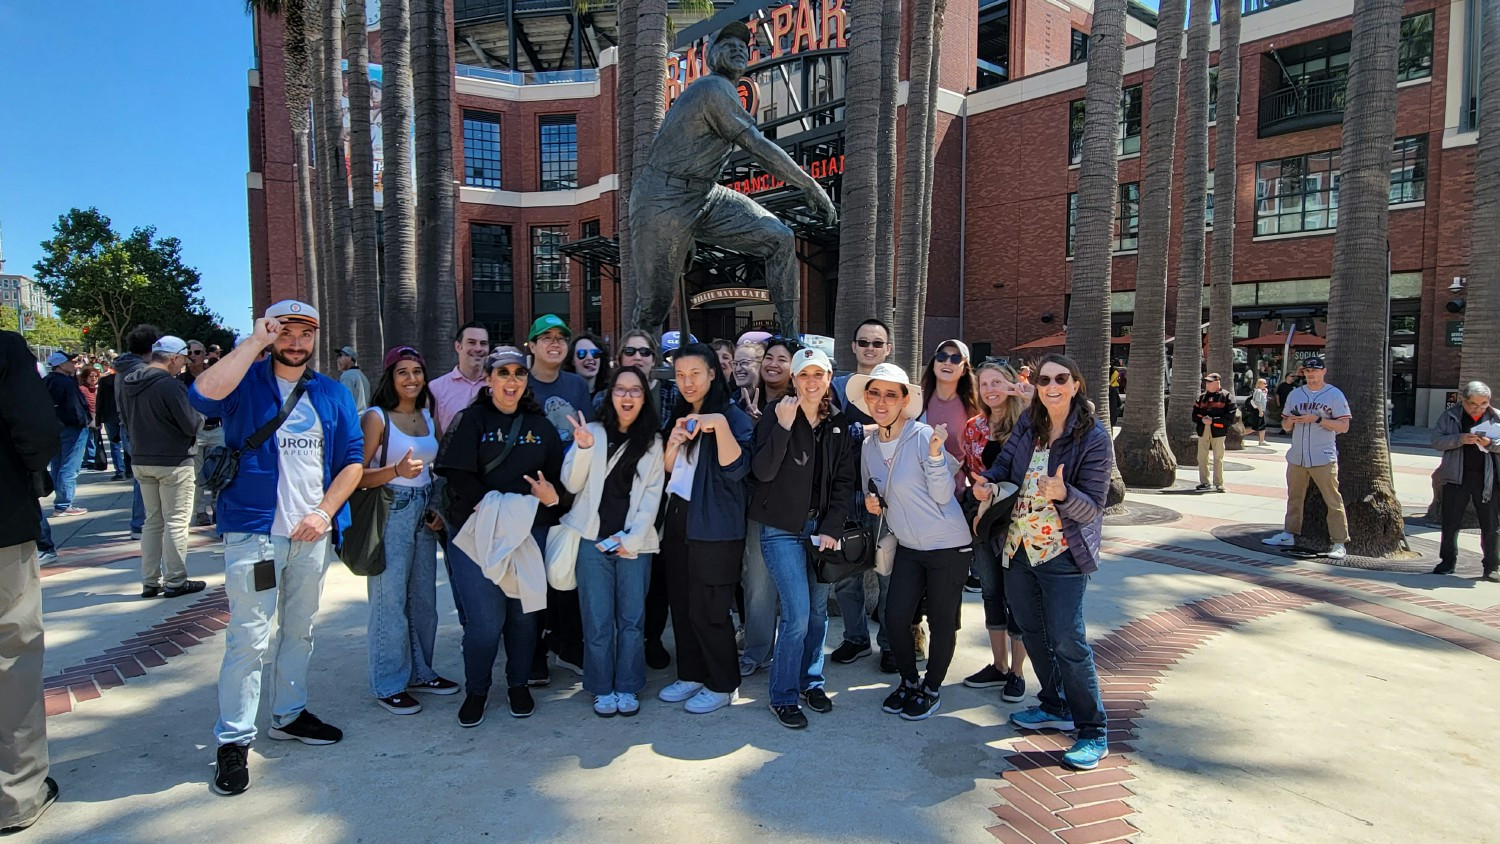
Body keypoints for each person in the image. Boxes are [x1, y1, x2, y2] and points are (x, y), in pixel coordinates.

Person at [188, 301, 364, 797]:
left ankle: (288, 713)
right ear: (269, 333)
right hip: (254, 532)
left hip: (311, 533)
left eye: (304, 332)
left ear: (314, 338)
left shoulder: (330, 392)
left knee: (301, 629)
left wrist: (324, 513)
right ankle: (234, 739)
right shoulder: (246, 380)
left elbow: (352, 459)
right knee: (249, 637)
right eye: (283, 331)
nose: (294, 341)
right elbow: (202, 394)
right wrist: (253, 343)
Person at [975, 353, 1114, 771]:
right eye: (1044, 379)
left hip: (1062, 554)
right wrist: (989, 484)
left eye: (1061, 378)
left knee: (1068, 640)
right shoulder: (1029, 425)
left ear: (1076, 384)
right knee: (1032, 630)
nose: (1051, 386)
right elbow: (1002, 465)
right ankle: (1053, 703)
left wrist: (1063, 494)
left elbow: (1093, 507)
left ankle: (1093, 730)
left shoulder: (1093, 437)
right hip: (1018, 548)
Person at [433, 347, 566, 727]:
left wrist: (550, 495)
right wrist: (492, 506)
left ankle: (518, 684)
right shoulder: (471, 420)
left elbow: (558, 478)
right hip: (477, 530)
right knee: (485, 623)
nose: (511, 381)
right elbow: (455, 473)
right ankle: (477, 689)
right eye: (503, 373)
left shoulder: (540, 427)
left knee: (524, 618)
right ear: (488, 380)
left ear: (526, 381)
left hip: (529, 532)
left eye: (518, 374)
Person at [850, 363, 971, 721]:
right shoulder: (869, 446)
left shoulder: (922, 436)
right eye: (875, 393)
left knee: (941, 621)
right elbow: (872, 492)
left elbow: (943, 492)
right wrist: (872, 503)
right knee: (895, 616)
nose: (882, 401)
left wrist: (935, 455)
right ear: (867, 398)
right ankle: (908, 681)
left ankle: (931, 689)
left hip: (948, 545)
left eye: (891, 394)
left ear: (905, 400)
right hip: (907, 546)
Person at [750, 347, 860, 729]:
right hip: (781, 530)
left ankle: (810, 680)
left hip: (820, 532)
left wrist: (831, 527)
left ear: (829, 378)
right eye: (804, 375)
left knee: (816, 613)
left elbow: (845, 483)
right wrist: (781, 427)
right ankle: (782, 695)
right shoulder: (776, 415)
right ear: (793, 380)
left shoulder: (838, 423)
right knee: (796, 615)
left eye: (819, 374)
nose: (811, 382)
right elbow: (761, 472)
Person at [358, 346, 460, 716]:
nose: (412, 379)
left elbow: (433, 471)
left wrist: (435, 508)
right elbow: (355, 476)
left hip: (422, 513)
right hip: (389, 510)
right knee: (389, 603)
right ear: (390, 377)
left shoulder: (428, 417)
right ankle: (388, 683)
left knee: (424, 602)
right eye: (403, 372)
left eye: (417, 371)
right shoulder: (376, 418)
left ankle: (421, 671)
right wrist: (394, 472)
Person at [561, 366, 666, 717]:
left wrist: (632, 539)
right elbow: (571, 485)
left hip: (634, 544)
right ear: (610, 395)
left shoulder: (653, 442)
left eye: (635, 391)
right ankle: (600, 686)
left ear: (644, 398)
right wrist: (583, 449)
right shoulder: (590, 432)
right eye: (620, 390)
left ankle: (628, 685)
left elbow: (653, 497)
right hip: (593, 541)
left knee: (633, 620)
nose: (627, 397)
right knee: (597, 619)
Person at [656, 344, 755, 714]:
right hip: (679, 517)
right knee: (682, 605)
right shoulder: (683, 414)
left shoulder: (732, 416)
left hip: (717, 526)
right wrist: (673, 444)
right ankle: (693, 672)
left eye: (695, 373)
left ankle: (724, 682)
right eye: (681, 375)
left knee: (711, 608)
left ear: (713, 373)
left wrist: (721, 426)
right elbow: (669, 470)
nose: (687, 382)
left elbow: (738, 470)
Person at [0, 330, 62, 836]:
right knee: (11, 654)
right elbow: (38, 430)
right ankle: (16, 795)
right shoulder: (3, 349)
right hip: (0, 523)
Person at [525, 314, 592, 682]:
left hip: (570, 496)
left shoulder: (577, 386)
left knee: (567, 576)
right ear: (531, 346)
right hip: (531, 497)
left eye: (560, 338)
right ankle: (534, 653)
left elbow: (589, 435)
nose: (554, 343)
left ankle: (566, 645)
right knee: (534, 580)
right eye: (545, 337)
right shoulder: (521, 383)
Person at [959, 361, 1030, 702]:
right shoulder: (974, 427)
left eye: (997, 382)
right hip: (986, 520)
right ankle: (998, 665)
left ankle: (1017, 672)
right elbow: (974, 473)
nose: (990, 389)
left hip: (1021, 523)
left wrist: (1032, 402)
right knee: (990, 591)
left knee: (1018, 594)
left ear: (1012, 384)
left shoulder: (1030, 422)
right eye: (984, 383)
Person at [829, 318, 895, 669]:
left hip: (886, 499)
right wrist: (866, 429)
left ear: (888, 348)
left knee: (887, 573)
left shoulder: (898, 389)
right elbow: (830, 430)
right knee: (847, 575)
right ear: (853, 347)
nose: (870, 348)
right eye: (864, 342)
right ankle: (855, 639)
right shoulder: (838, 388)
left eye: (877, 343)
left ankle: (889, 643)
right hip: (843, 494)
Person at [121, 335, 207, 599]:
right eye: (182, 359)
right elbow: (190, 424)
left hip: (142, 459)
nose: (183, 364)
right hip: (173, 461)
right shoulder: (170, 386)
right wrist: (200, 417)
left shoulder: (128, 382)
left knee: (153, 521)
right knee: (176, 522)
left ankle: (150, 580)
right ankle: (175, 580)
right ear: (173, 358)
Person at [739, 337, 800, 678]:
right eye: (769, 357)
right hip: (755, 504)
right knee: (757, 581)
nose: (774, 363)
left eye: (782, 358)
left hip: (791, 505)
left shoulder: (803, 401)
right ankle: (757, 650)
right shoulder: (744, 398)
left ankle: (794, 654)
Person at [1261, 357, 1350, 560]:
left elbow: (1344, 426)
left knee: (1332, 499)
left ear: (1323, 371)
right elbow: (1284, 425)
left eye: (1315, 370)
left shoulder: (1334, 395)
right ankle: (1289, 534)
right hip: (1297, 455)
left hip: (1323, 455)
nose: (1311, 374)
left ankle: (1339, 542)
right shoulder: (1295, 394)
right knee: (1294, 497)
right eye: (1308, 371)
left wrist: (1318, 419)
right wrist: (1291, 420)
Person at [1430, 381, 1500, 581]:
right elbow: (1436, 440)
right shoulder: (1451, 416)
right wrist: (1460, 439)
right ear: (1464, 400)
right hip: (1456, 476)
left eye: (1483, 403)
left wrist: (1491, 443)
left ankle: (1492, 567)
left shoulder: (1495, 417)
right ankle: (1447, 562)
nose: (1478, 408)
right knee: (1450, 522)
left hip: (1487, 479)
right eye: (1473, 404)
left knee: (1491, 524)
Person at [117, 325, 160, 540]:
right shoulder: (140, 372)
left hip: (128, 427)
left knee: (141, 477)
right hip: (139, 430)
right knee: (145, 479)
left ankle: (139, 522)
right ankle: (139, 522)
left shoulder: (124, 368)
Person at [42, 352, 91, 517]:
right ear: (61, 365)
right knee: (70, 466)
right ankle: (64, 504)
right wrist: (84, 421)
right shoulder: (67, 383)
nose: (75, 364)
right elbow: (75, 407)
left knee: (58, 464)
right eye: (71, 361)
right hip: (72, 428)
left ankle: (61, 502)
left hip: (55, 428)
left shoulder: (47, 381)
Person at [183, 339, 224, 526]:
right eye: (189, 352)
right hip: (195, 432)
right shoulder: (181, 380)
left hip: (216, 428)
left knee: (221, 470)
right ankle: (199, 511)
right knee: (195, 474)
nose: (193, 356)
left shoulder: (213, 375)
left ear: (204, 355)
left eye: (197, 352)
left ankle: (218, 508)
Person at [429, 322, 491, 435]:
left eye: (483, 343)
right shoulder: (436, 388)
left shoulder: (497, 385)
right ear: (458, 346)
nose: (478, 348)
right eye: (471, 342)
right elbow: (434, 433)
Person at [1192, 373, 1235, 492]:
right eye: (1206, 382)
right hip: (1203, 429)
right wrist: (1202, 419)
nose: (1207, 384)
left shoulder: (1227, 397)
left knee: (1218, 457)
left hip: (1218, 430)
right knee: (1202, 457)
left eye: (1210, 382)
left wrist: (1213, 421)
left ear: (1217, 383)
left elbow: (1230, 417)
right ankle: (1205, 482)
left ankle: (1219, 483)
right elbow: (1194, 415)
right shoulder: (1202, 397)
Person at [97, 366, 126, 480]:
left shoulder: (105, 380)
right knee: (128, 442)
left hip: (110, 415)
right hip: (124, 414)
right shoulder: (128, 378)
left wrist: (99, 419)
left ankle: (120, 471)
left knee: (115, 444)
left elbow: (100, 399)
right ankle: (128, 469)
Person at [731, 341, 765, 414]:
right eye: (735, 363)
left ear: (761, 365)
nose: (738, 369)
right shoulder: (730, 401)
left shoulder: (770, 400)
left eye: (744, 363)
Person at [77, 365, 101, 470]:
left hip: (97, 415)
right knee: (90, 438)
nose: (94, 378)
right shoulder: (82, 389)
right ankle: (90, 459)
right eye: (91, 376)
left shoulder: (97, 388)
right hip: (88, 416)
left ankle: (91, 457)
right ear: (85, 377)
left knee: (94, 438)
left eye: (96, 376)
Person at [337, 346, 371, 413]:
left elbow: (344, 401)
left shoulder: (348, 376)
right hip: (364, 418)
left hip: (353, 419)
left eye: (340, 355)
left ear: (349, 358)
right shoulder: (362, 376)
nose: (338, 359)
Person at [1247, 378, 1269, 446]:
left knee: (1262, 426)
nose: (1266, 385)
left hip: (1260, 410)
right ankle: (1240, 434)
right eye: (1264, 383)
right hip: (1258, 410)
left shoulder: (1261, 391)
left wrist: (1265, 393)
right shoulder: (1258, 391)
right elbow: (1257, 402)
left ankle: (1261, 440)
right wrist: (1260, 411)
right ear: (1260, 384)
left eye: (1266, 383)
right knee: (1255, 427)